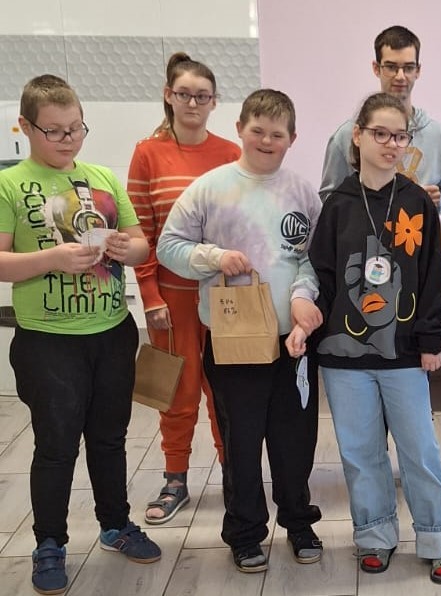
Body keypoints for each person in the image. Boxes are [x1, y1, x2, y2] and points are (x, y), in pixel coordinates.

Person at [0, 74, 161, 595]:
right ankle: (49, 542)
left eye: (76, 127)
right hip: (48, 339)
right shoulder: (9, 184)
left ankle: (115, 524)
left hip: (111, 331)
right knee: (57, 444)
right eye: (54, 130)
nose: (68, 139)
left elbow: (141, 244)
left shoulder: (102, 178)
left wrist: (126, 248)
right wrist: (52, 258)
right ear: (25, 127)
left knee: (110, 438)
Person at [295, 92, 441, 584]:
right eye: (381, 134)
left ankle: (439, 538)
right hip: (342, 354)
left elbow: (432, 277)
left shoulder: (417, 202)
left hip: (404, 352)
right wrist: (307, 324)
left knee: (419, 450)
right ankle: (374, 535)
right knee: (360, 452)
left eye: (400, 136)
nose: (391, 144)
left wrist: (431, 341)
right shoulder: (338, 205)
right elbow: (323, 276)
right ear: (358, 136)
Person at [156, 89, 324, 573]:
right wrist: (213, 257)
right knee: (241, 442)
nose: (267, 141)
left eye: (277, 134)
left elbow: (314, 259)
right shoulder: (210, 189)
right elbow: (168, 246)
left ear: (292, 138)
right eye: (258, 131)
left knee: (295, 442)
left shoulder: (302, 193)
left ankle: (298, 521)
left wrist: (303, 296)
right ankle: (246, 532)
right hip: (232, 343)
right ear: (240, 130)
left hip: (293, 342)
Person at [128, 51, 241, 525]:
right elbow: (141, 231)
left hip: (223, 295)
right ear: (168, 96)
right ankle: (175, 477)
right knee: (176, 389)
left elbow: (239, 229)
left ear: (214, 101)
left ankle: (235, 477)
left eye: (202, 96)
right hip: (170, 298)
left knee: (225, 391)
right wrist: (150, 297)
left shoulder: (230, 154)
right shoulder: (147, 153)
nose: (193, 103)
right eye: (184, 94)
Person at [319, 25, 441, 215]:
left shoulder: (439, 137)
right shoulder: (346, 135)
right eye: (391, 67)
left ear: (418, 71)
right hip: (364, 233)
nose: (400, 76)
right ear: (376, 68)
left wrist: (433, 201)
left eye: (408, 68)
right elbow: (329, 198)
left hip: (419, 231)